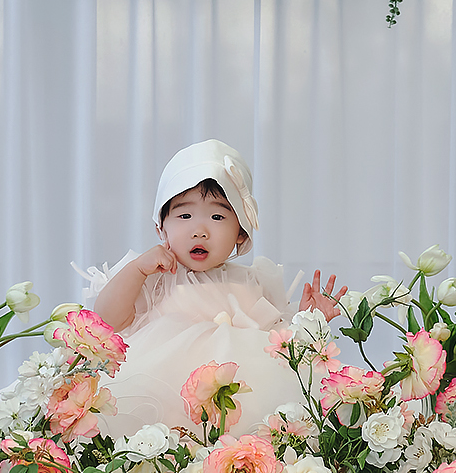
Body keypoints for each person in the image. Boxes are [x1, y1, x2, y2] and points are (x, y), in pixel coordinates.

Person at [94, 139, 344, 436]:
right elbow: (107, 321)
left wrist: (309, 321)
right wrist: (136, 270)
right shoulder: (157, 277)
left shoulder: (252, 282)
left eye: (217, 217)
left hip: (242, 408)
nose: (199, 230)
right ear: (161, 227)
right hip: (166, 404)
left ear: (241, 233)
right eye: (184, 216)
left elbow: (278, 347)